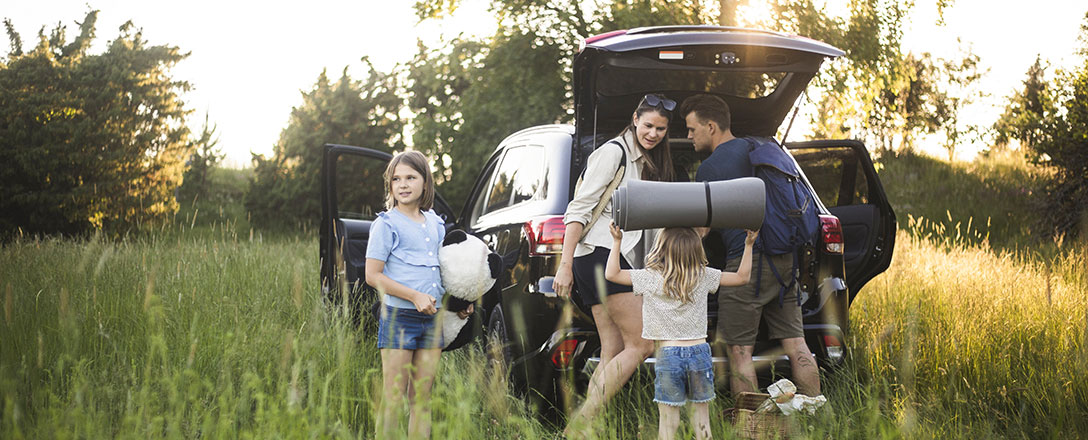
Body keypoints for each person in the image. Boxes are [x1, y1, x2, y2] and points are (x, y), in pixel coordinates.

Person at [679, 94, 822, 397]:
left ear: (712, 126)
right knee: (797, 344)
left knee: (740, 352)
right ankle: (816, 415)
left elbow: (702, 230)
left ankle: (748, 427)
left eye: (692, 129)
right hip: (785, 261)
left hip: (747, 267)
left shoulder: (710, 169)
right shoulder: (760, 149)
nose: (689, 136)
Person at [554, 94, 676, 432]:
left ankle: (585, 429)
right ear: (635, 118)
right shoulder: (614, 153)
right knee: (642, 343)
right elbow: (579, 208)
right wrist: (565, 264)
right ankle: (578, 426)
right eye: (648, 125)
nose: (653, 133)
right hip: (598, 256)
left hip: (604, 258)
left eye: (661, 129)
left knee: (614, 347)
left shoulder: (644, 159)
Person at [606, 223, 756, 440]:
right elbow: (742, 277)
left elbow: (612, 274)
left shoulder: (651, 277)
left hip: (669, 355)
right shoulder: (703, 276)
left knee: (669, 423)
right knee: (702, 421)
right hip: (699, 353)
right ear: (697, 250)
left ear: (661, 248)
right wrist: (749, 245)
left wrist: (617, 241)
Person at [364, 151, 473, 438]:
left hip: (431, 320)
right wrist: (413, 296)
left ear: (425, 183)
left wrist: (458, 304)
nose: (402, 184)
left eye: (410, 177)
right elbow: (372, 275)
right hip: (400, 318)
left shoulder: (436, 224)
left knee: (421, 400)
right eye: (396, 179)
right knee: (394, 397)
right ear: (390, 186)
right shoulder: (386, 224)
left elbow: (439, 273)